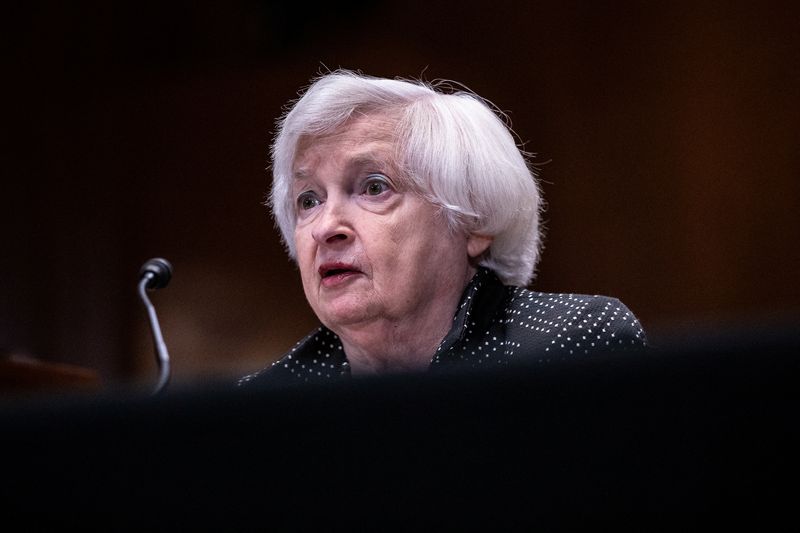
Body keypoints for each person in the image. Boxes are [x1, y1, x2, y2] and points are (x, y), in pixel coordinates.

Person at [239, 69, 646, 386]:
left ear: (473, 219)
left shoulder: (569, 347)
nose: (325, 227)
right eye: (309, 199)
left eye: (374, 187)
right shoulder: (260, 409)